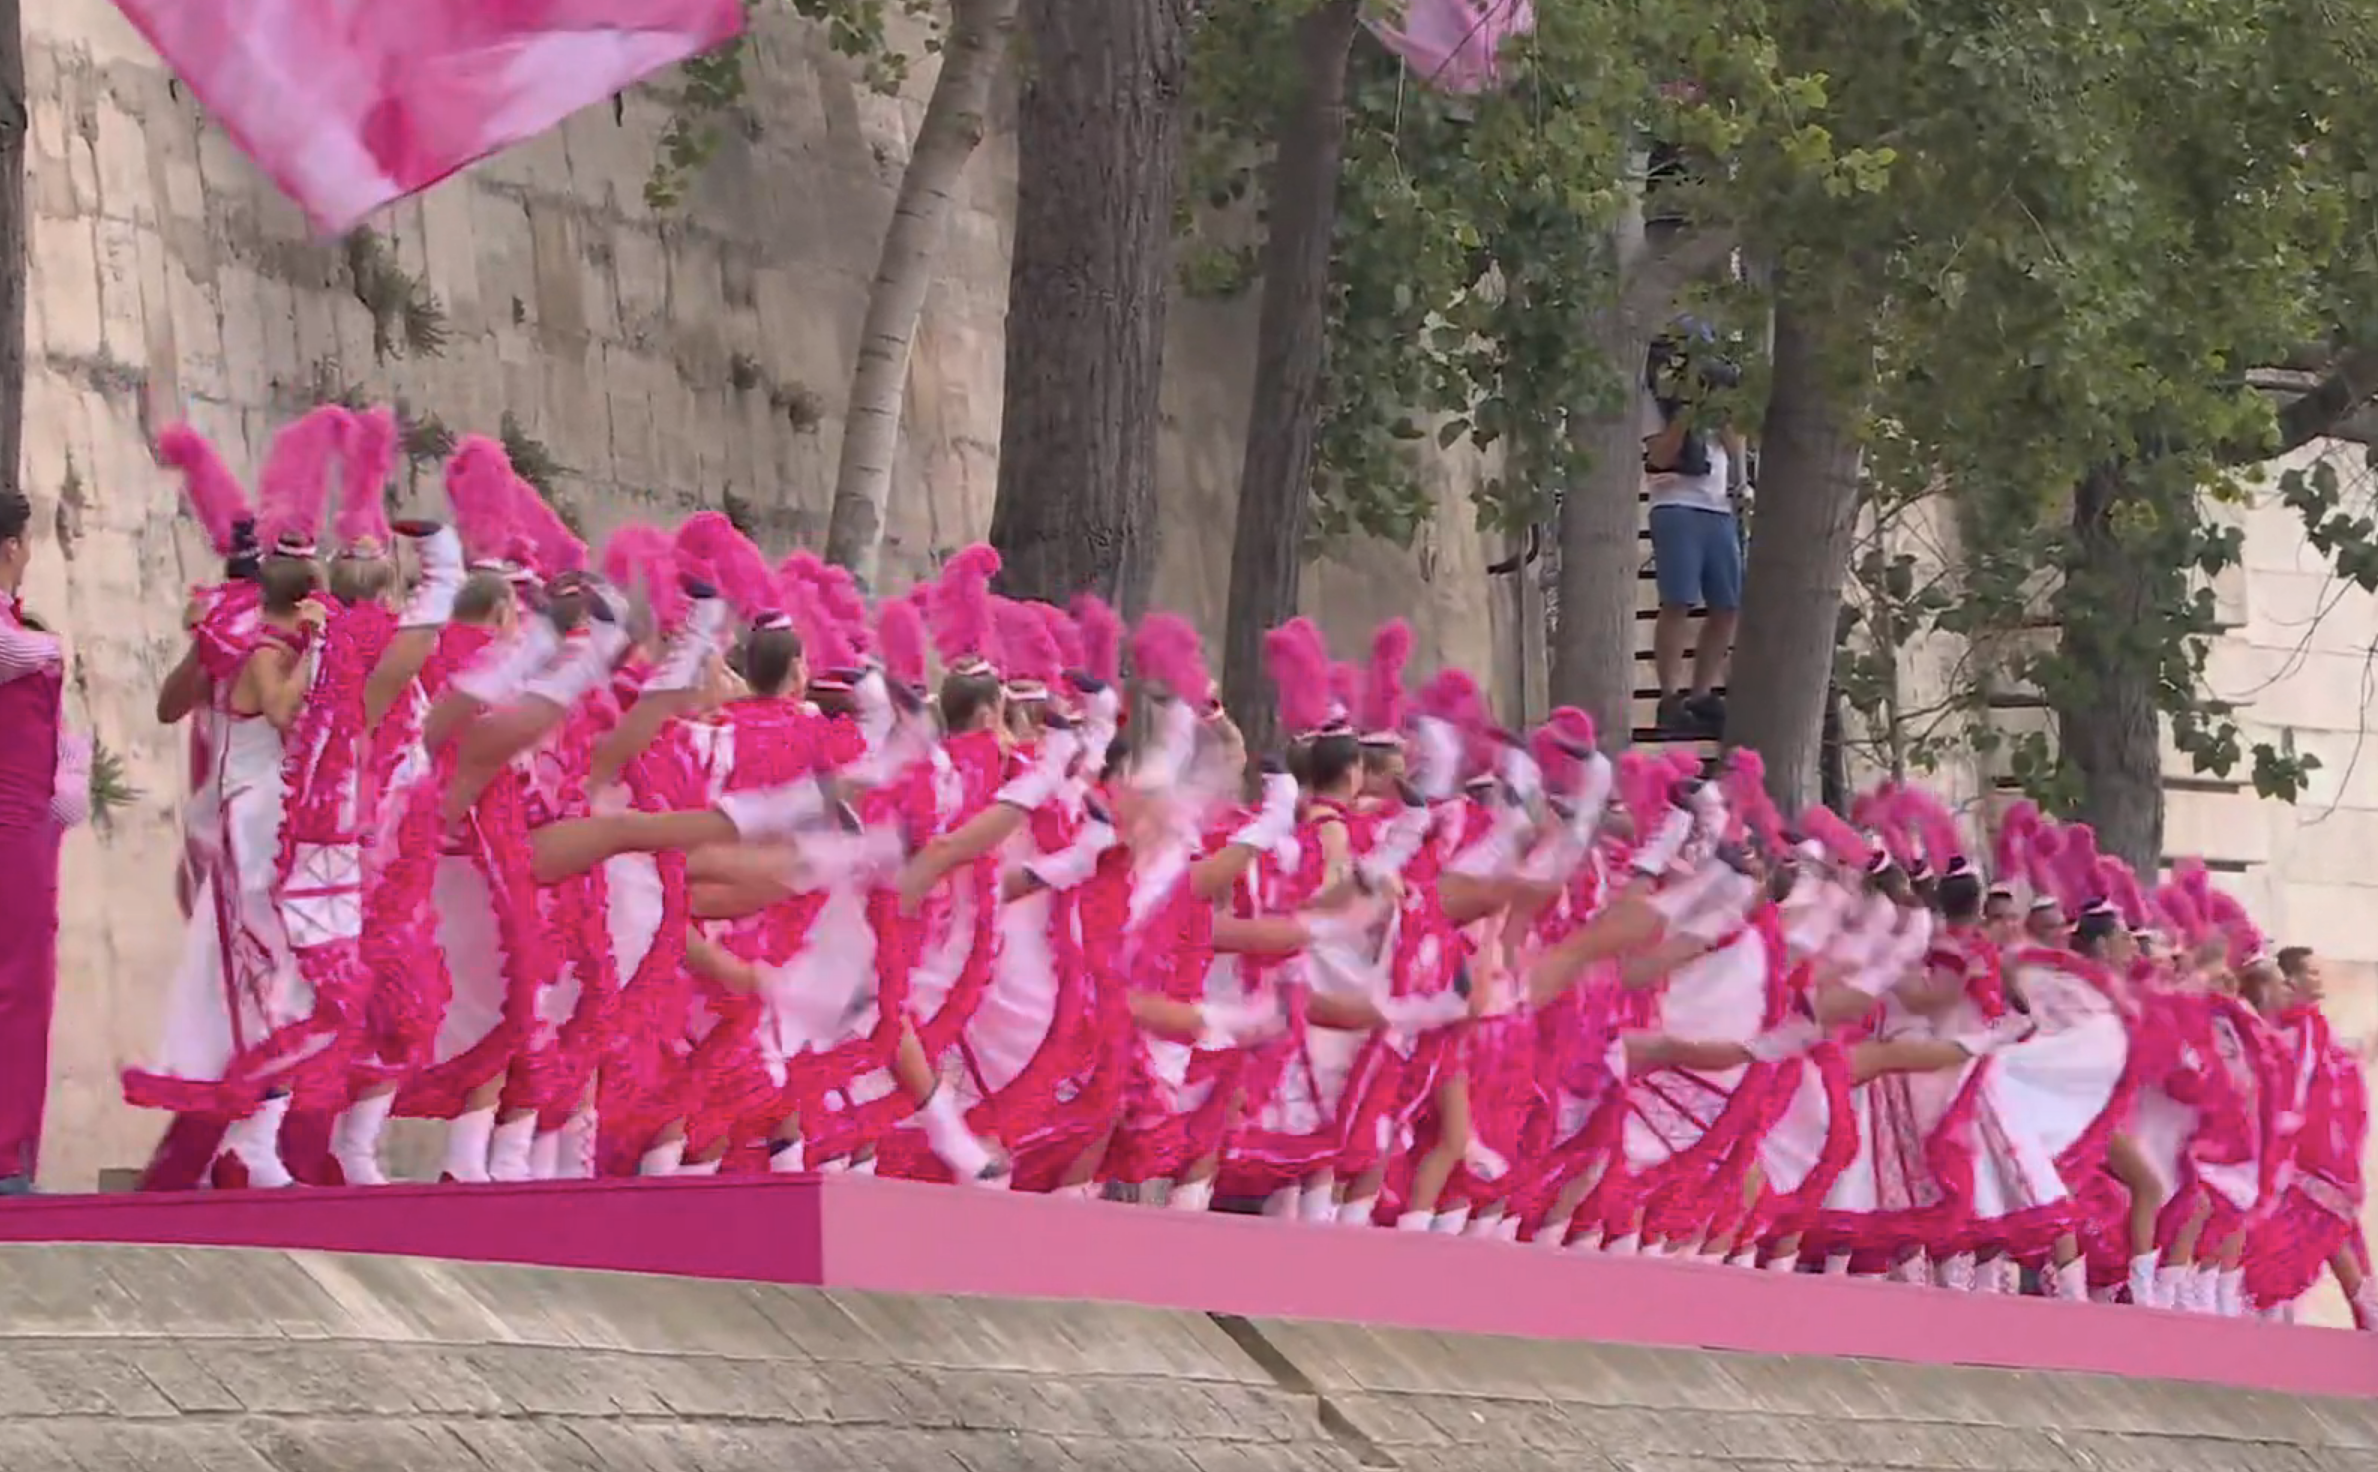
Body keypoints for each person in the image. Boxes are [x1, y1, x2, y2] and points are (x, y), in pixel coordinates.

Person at [0, 489, 89, 1194]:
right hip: (9, 821)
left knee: (28, 984)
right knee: (13, 985)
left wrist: (72, 769)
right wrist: (51, 648)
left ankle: (14, 1152)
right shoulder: (16, 636)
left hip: (30, 821)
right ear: (11, 548)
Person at [1642, 326, 1744, 736]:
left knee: (1727, 606)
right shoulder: (1656, 397)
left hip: (1718, 506)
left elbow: (1736, 446)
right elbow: (1659, 455)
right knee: (1678, 601)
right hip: (1676, 502)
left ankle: (1702, 693)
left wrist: (1720, 416)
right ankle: (1669, 697)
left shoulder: (1721, 398)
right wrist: (1686, 412)